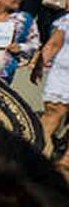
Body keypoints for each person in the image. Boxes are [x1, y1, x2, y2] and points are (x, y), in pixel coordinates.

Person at [35, 12, 69, 178]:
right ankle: (36, 151)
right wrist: (40, 64)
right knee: (53, 112)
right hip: (63, 72)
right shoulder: (67, 20)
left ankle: (66, 163)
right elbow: (54, 43)